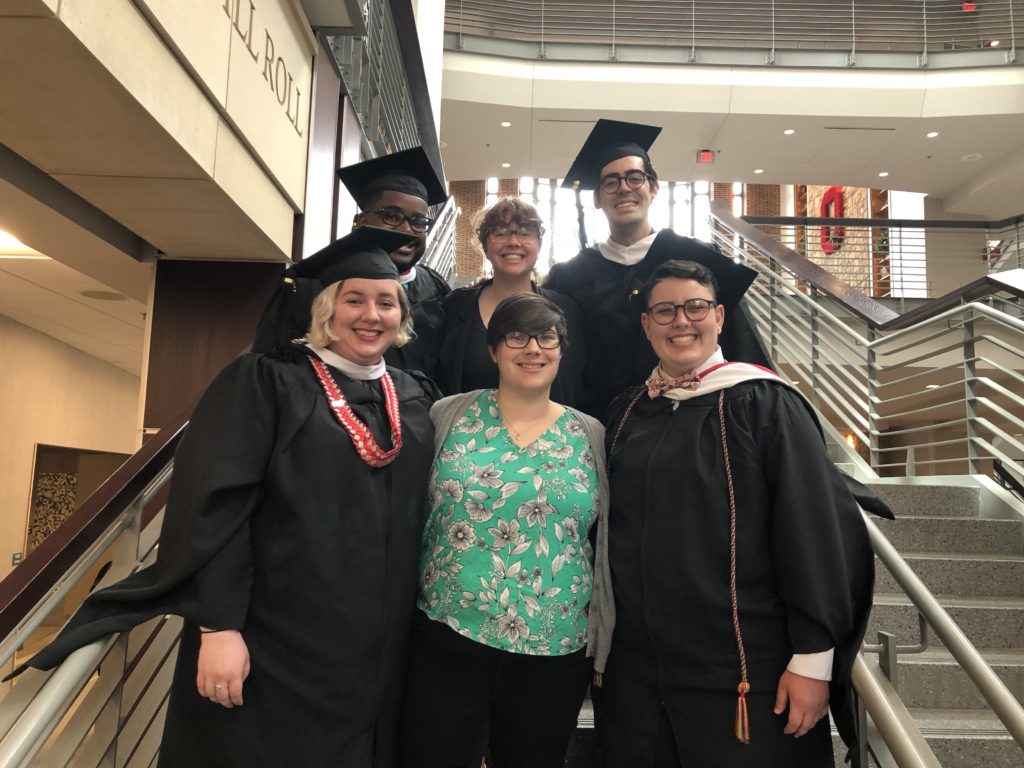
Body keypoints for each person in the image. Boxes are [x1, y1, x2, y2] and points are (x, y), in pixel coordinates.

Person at [13, 227, 439, 767]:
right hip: (276, 642)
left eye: (386, 302)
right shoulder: (266, 382)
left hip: (376, 652)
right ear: (324, 307)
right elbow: (213, 507)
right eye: (353, 299)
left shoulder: (412, 394)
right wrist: (219, 627)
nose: (370, 315)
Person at [596, 259, 886, 768]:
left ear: (721, 316)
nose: (680, 321)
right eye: (664, 310)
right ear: (645, 324)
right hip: (639, 675)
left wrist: (814, 661)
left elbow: (811, 530)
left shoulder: (765, 404)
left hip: (745, 669)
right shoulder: (625, 414)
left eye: (695, 307)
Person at [399, 293, 612, 768]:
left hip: (553, 650)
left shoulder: (592, 434)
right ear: (493, 349)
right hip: (445, 636)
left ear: (561, 348)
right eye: (516, 336)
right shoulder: (446, 416)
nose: (532, 348)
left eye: (546, 336)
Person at [545, 119, 771, 419]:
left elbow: (740, 345)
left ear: (654, 188)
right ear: (598, 198)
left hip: (690, 424)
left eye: (634, 178)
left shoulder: (698, 261)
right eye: (611, 182)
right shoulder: (569, 277)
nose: (623, 188)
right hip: (597, 427)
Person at [253, 145, 451, 384]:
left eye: (419, 222)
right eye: (392, 216)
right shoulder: (311, 285)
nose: (407, 230)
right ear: (360, 221)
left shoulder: (436, 288)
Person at [438, 197, 583, 406]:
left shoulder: (566, 309)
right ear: (485, 246)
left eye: (525, 233)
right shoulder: (455, 306)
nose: (514, 242)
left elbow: (573, 385)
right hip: (468, 434)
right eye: (500, 233)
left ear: (539, 245)